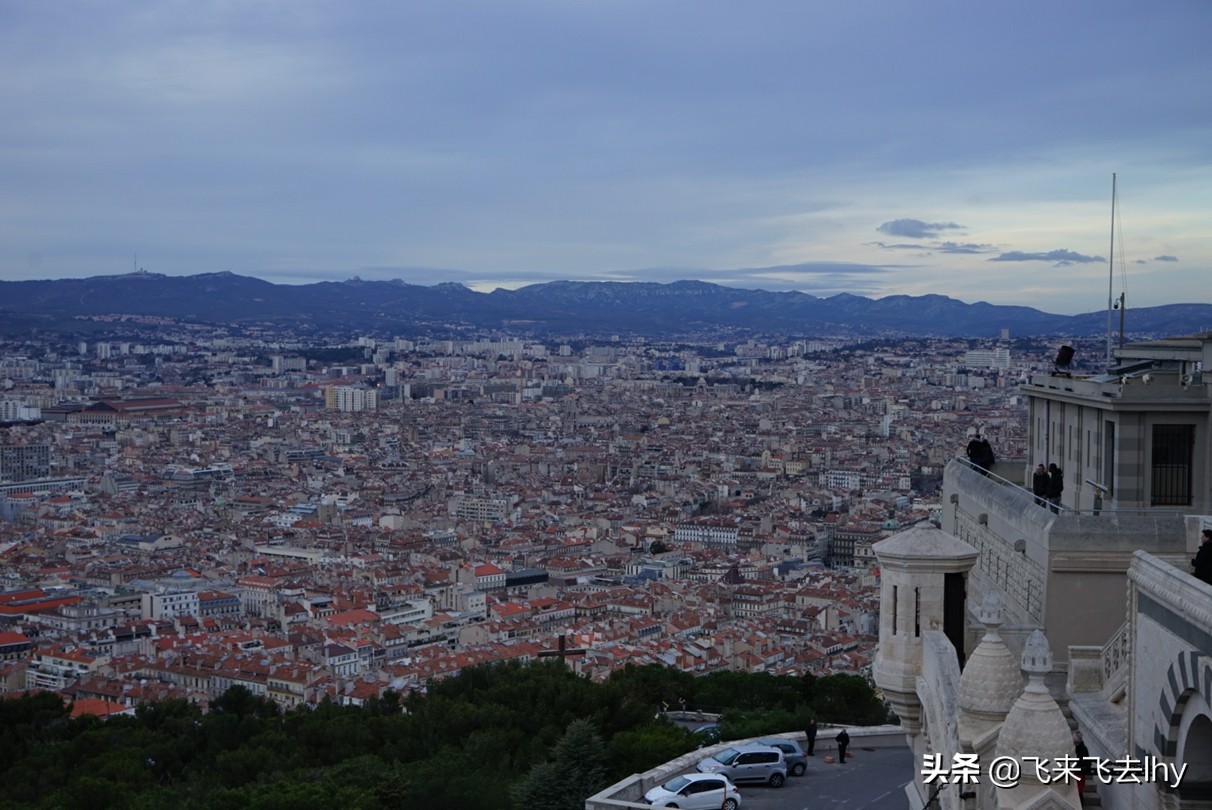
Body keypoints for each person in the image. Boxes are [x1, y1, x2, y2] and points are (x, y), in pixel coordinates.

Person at [1074, 731, 1090, 796]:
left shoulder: (1083, 749)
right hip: (1075, 771)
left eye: (1076, 742)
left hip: (1080, 771)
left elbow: (1087, 760)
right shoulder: (1075, 748)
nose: (1075, 744)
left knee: (1079, 790)